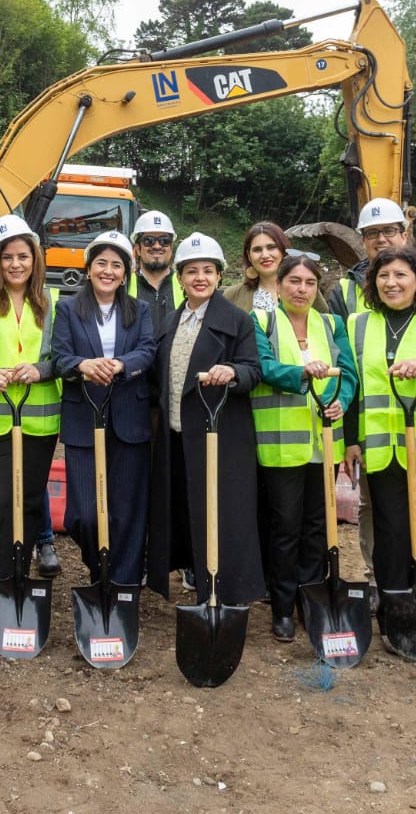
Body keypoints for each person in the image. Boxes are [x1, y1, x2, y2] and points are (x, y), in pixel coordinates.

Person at [326, 197, 416, 596]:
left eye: (401, 274)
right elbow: (352, 383)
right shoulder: (355, 316)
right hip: (379, 444)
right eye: (372, 234)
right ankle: (390, 594)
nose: (391, 282)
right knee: (385, 523)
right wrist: (351, 438)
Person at [146, 232, 264, 606]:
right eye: (192, 271)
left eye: (208, 271)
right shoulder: (169, 322)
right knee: (186, 512)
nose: (200, 277)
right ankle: (197, 575)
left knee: (222, 515)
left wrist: (231, 372)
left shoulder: (238, 320)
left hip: (220, 436)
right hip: (177, 435)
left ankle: (226, 591)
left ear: (218, 276)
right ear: (179, 277)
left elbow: (254, 371)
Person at [249, 253, 357, 642]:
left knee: (318, 527)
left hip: (324, 442)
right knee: (285, 528)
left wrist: (342, 399)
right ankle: (281, 608)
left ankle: (310, 601)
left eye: (309, 283)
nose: (301, 289)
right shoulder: (261, 321)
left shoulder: (332, 324)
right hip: (281, 445)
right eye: (293, 281)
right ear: (278, 286)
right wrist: (300, 373)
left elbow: (349, 372)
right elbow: (262, 367)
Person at [0, 215, 62, 587]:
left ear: (35, 258)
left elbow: (63, 356)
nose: (16, 264)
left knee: (32, 500)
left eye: (23, 256)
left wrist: (41, 369)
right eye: (7, 257)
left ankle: (23, 573)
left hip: (40, 419)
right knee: (0, 500)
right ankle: (2, 578)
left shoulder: (52, 299)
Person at [52, 231, 157, 586]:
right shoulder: (67, 309)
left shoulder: (139, 309)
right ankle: (99, 569)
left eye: (116, 265)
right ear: (89, 269)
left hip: (130, 418)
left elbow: (147, 350)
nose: (108, 271)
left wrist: (121, 365)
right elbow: (61, 357)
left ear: (126, 273)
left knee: (126, 510)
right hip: (84, 416)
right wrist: (83, 365)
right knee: (83, 514)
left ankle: (122, 584)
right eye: (101, 263)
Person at [126, 210, 183, 335]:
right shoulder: (124, 284)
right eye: (149, 240)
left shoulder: (185, 285)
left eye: (164, 240)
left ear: (171, 249)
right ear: (137, 249)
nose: (157, 246)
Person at [222, 221, 290, 313]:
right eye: (257, 250)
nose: (265, 255)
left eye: (271, 247)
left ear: (283, 250)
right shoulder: (232, 296)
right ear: (249, 256)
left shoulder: (305, 289)